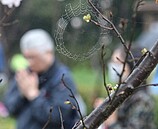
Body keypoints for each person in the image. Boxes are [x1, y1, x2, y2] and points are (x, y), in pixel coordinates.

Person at [4, 29, 86, 129]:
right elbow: (10, 108)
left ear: (48, 53)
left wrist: (33, 95)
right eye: (26, 57)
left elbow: (58, 117)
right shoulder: (26, 75)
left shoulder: (63, 78)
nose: (29, 62)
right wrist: (22, 94)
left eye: (33, 57)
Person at [96, 46, 156, 129]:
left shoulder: (142, 100)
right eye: (112, 62)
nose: (113, 67)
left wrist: (112, 121)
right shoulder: (120, 93)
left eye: (118, 63)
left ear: (131, 66)